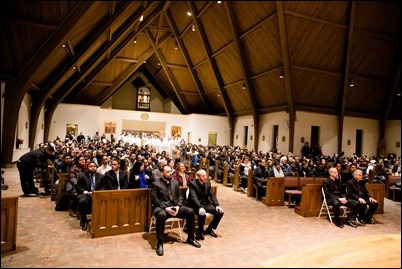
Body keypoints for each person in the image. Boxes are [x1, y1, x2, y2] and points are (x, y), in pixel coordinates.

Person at [150, 165, 201, 256]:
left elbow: (180, 196)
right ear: (162, 173)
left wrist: (178, 206)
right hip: (163, 208)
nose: (170, 173)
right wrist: (166, 208)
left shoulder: (175, 183)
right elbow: (154, 199)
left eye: (170, 171)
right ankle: (160, 242)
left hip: (175, 207)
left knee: (190, 212)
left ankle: (191, 238)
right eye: (168, 172)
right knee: (161, 215)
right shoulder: (155, 184)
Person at [187, 169, 224, 240]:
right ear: (198, 177)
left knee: (220, 212)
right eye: (203, 176)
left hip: (205, 204)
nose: (205, 177)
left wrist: (217, 205)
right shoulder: (192, 184)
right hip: (196, 205)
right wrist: (199, 207)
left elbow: (212, 195)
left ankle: (209, 229)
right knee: (202, 214)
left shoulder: (207, 183)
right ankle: (200, 231)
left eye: (206, 175)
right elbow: (193, 197)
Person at [75, 161, 105, 231]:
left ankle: (102, 220)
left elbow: (103, 187)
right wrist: (86, 192)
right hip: (86, 194)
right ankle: (84, 221)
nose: (93, 168)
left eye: (94, 166)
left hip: (97, 194)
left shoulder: (101, 177)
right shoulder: (82, 175)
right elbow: (78, 186)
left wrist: (96, 192)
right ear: (87, 168)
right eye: (91, 167)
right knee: (82, 201)